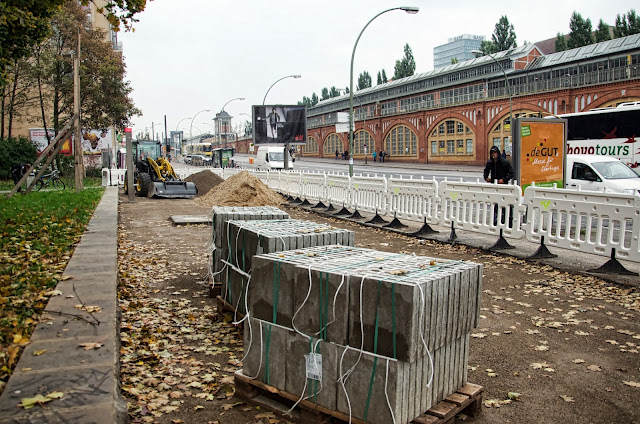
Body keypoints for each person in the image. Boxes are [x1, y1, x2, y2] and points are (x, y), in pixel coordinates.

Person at [483, 146, 514, 226]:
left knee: (504, 203)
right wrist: (486, 178)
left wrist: (503, 179)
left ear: (498, 153)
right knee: (495, 203)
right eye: (492, 153)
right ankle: (496, 219)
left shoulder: (504, 162)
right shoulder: (490, 163)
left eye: (495, 153)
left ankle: (506, 219)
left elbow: (511, 173)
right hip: (494, 185)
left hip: (503, 186)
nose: (494, 155)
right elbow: (486, 170)